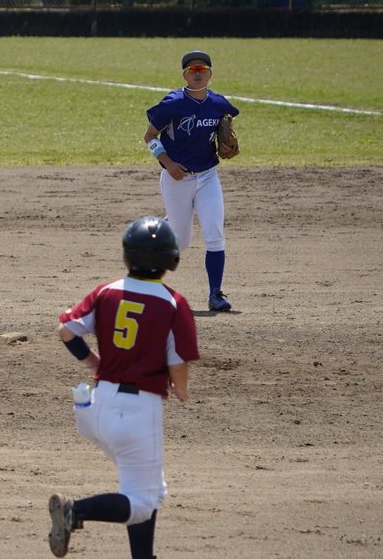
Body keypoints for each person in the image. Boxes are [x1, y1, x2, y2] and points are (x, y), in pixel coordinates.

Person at [47, 216, 199, 558]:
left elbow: (67, 330)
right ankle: (75, 510)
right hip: (137, 413)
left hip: (96, 407)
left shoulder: (106, 292)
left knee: (150, 490)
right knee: (143, 503)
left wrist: (94, 362)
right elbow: (177, 362)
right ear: (171, 258)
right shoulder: (173, 302)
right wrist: (182, 389)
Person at [141, 50, 239, 312]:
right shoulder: (172, 103)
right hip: (177, 177)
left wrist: (229, 147)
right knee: (181, 240)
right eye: (192, 70)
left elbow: (226, 134)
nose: (198, 74)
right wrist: (167, 162)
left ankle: (215, 294)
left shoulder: (219, 104)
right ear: (185, 74)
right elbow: (149, 137)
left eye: (203, 70)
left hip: (208, 175)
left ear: (210, 73)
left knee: (214, 231)